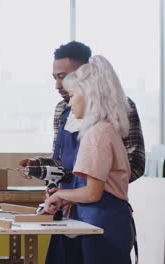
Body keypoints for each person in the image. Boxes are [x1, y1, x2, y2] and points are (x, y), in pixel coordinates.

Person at [41, 55, 133, 263]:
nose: (70, 102)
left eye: (73, 95)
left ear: (89, 95)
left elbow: (92, 193)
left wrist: (61, 194)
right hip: (110, 219)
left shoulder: (96, 134)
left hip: (100, 222)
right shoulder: (109, 128)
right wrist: (64, 197)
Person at [19, 41, 145, 183]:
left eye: (63, 77)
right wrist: (38, 164)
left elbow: (135, 164)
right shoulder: (62, 109)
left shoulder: (120, 106)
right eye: (55, 78)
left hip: (100, 202)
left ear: (85, 73)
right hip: (65, 200)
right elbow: (62, 162)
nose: (57, 86)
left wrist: (90, 189)